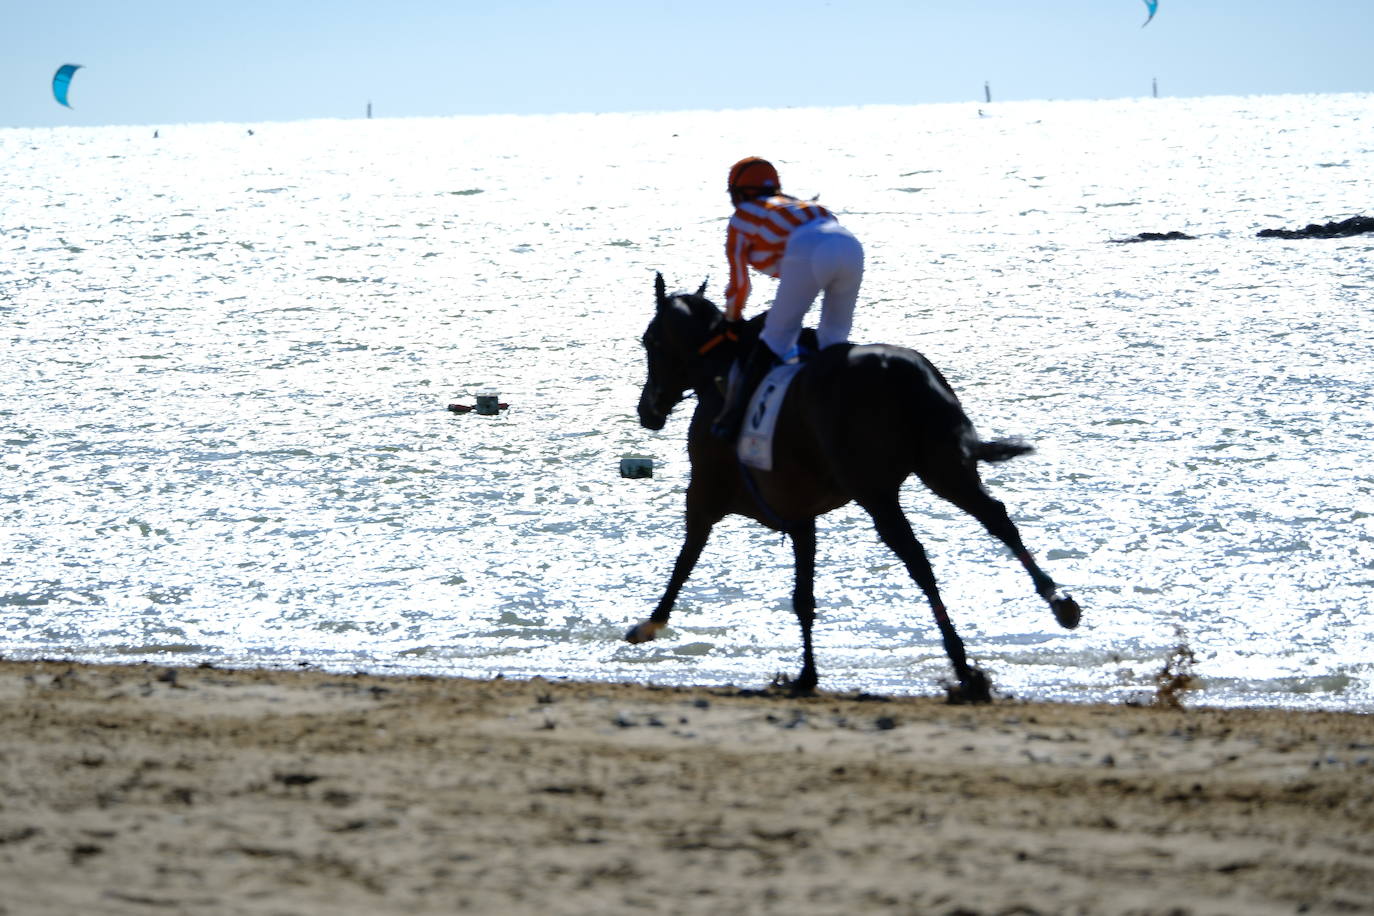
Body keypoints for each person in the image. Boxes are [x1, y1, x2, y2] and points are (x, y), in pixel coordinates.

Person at [711, 156, 865, 439]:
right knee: (833, 341)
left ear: (740, 193)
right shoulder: (808, 206)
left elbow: (740, 285)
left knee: (776, 338)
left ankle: (733, 420)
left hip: (809, 247)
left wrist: (731, 320)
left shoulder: (743, 215)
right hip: (851, 245)